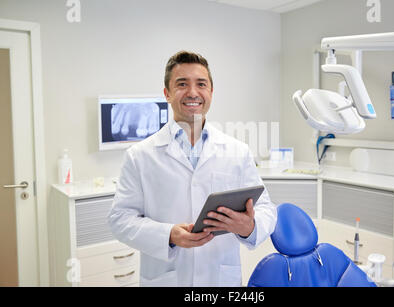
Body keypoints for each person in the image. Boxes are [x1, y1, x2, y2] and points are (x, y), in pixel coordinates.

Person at [108, 51, 277, 287]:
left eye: (201, 84)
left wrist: (250, 226)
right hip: (166, 278)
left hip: (220, 279)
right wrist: (169, 235)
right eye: (181, 84)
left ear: (211, 92)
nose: (193, 92)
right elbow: (120, 219)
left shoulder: (237, 151)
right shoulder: (140, 156)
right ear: (166, 93)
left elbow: (266, 208)